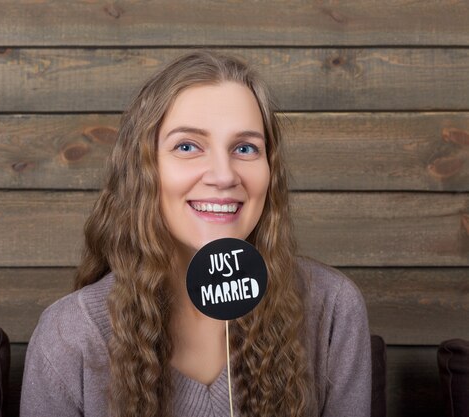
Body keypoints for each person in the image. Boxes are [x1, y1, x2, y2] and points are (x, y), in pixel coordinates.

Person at [20, 50, 371, 417]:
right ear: (143, 170)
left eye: (245, 148)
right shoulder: (71, 334)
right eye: (187, 146)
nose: (223, 175)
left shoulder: (332, 308)